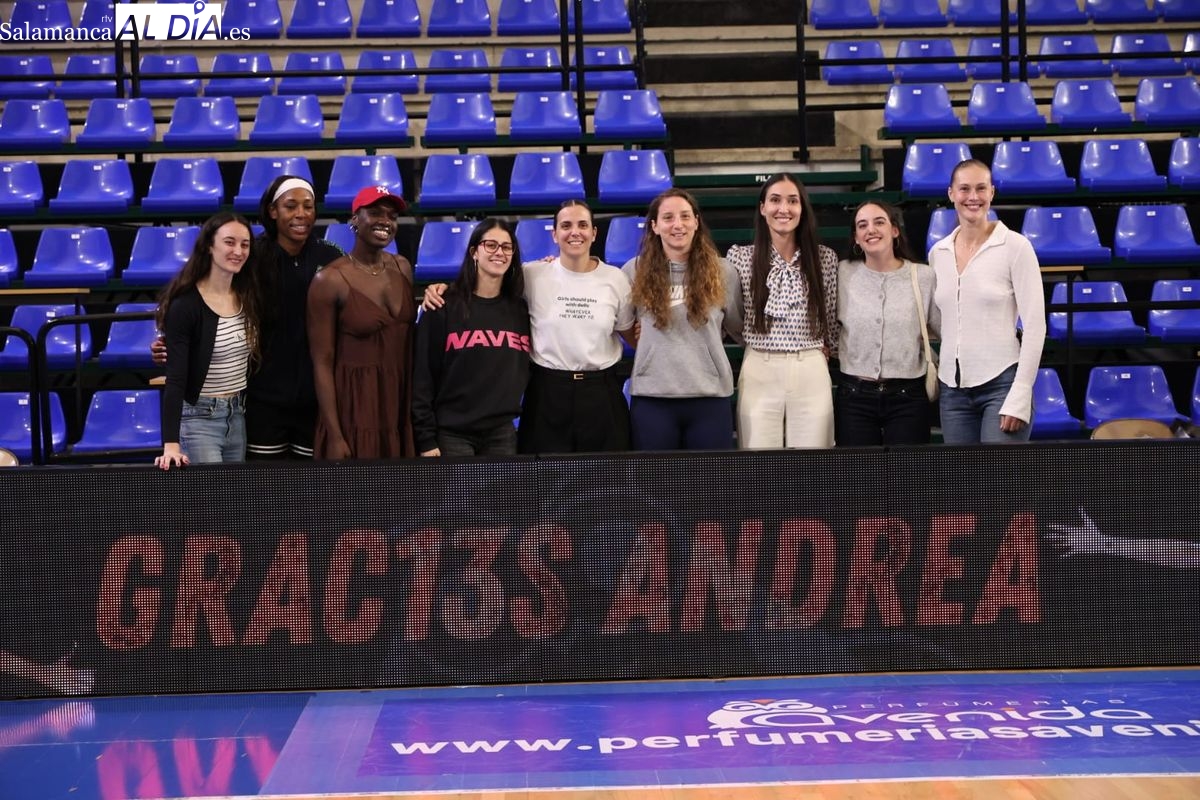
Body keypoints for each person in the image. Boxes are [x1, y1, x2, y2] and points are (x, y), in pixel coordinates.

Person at [424, 200, 635, 453]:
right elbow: (485, 282)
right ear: (554, 234)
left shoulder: (616, 279)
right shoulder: (532, 274)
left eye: (582, 225)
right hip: (547, 391)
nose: (575, 232)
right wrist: (443, 289)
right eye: (566, 225)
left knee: (604, 473)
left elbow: (630, 333)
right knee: (544, 476)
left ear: (594, 232)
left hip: (600, 390)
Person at [928, 159, 1045, 444]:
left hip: (1002, 386)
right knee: (962, 475)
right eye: (964, 189)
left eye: (981, 188)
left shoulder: (1016, 246)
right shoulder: (938, 253)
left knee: (998, 474)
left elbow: (1035, 326)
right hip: (952, 391)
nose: (973, 196)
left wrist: (1020, 392)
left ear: (992, 192)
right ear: (951, 194)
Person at [622, 189, 743, 450]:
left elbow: (738, 328)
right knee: (656, 477)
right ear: (654, 226)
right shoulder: (634, 270)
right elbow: (623, 325)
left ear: (696, 222)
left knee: (712, 476)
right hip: (652, 398)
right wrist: (648, 349)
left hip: (710, 396)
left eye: (685, 216)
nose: (678, 224)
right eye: (668, 218)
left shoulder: (723, 271)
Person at [725, 173, 839, 449]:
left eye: (792, 201)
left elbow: (830, 316)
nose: (783, 209)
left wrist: (825, 348)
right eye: (775, 200)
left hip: (810, 365)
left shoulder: (824, 258)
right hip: (760, 365)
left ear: (802, 208)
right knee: (758, 457)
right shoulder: (740, 257)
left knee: (814, 459)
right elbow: (734, 316)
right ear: (763, 207)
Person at [307, 186, 416, 459]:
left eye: (392, 216)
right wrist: (335, 435)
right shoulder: (329, 280)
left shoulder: (403, 267)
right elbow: (322, 363)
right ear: (355, 219)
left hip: (398, 401)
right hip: (354, 407)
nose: (385, 221)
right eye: (375, 213)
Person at [412, 219, 530, 457]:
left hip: (502, 433)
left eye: (507, 247)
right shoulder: (442, 305)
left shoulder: (520, 309)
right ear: (474, 252)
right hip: (452, 434)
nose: (499, 252)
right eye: (491, 245)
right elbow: (423, 377)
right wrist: (425, 438)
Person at [248, 175, 345, 459]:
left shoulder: (331, 256)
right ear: (272, 211)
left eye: (308, 206)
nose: (301, 214)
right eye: (291, 206)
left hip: (316, 399)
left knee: (310, 482)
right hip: (263, 398)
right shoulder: (252, 257)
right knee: (266, 482)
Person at [154, 212, 261, 470]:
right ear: (209, 246)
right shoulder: (186, 305)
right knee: (212, 495)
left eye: (245, 244)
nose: (238, 251)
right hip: (199, 418)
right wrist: (171, 444)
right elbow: (176, 379)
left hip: (237, 415)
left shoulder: (248, 296)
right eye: (229, 242)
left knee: (233, 493)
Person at [835, 201, 939, 447]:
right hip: (854, 396)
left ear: (894, 230)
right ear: (856, 238)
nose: (871, 229)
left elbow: (943, 328)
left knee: (907, 471)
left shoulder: (923, 276)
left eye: (879, 222)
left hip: (908, 396)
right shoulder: (842, 273)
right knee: (858, 471)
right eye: (862, 225)